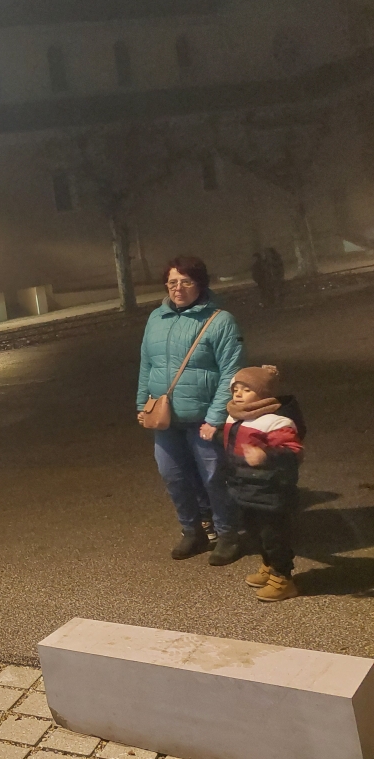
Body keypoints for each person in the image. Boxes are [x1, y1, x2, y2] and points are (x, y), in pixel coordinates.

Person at [137, 255, 245, 564]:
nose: (178, 288)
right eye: (172, 282)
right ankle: (192, 530)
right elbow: (147, 364)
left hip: (203, 419)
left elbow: (231, 372)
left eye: (186, 282)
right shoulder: (156, 318)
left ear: (200, 284)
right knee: (173, 476)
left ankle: (227, 535)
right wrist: (142, 404)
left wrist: (215, 418)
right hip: (166, 419)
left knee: (214, 479)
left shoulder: (220, 320)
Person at [222, 365, 305, 602]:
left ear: (263, 393)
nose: (238, 394)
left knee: (274, 536)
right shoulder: (236, 416)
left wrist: (266, 454)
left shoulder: (275, 422)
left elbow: (293, 452)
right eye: (236, 389)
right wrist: (215, 433)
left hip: (271, 490)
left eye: (246, 389)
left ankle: (283, 579)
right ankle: (269, 566)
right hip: (245, 487)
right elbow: (234, 444)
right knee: (255, 532)